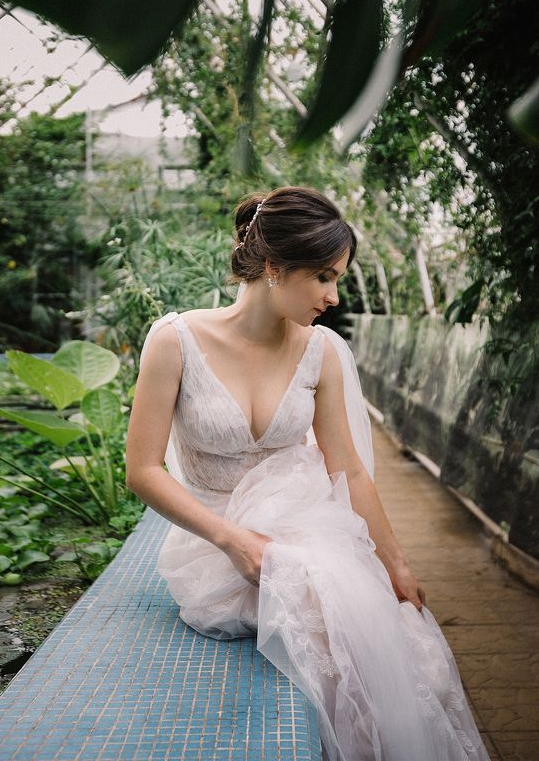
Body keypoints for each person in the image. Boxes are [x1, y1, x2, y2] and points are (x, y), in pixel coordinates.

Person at [125, 186, 490, 761]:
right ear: (274, 266)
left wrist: (396, 564)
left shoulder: (321, 350)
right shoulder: (176, 341)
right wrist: (232, 540)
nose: (333, 295)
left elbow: (348, 469)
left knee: (390, 634)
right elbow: (142, 470)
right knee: (334, 613)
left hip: (308, 526)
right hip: (218, 545)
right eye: (323, 276)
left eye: (337, 278)